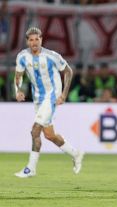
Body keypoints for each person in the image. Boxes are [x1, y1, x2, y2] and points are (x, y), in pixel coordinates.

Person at [14, 27, 84, 178]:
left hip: (51, 95)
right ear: (27, 41)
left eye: (37, 39)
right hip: (38, 98)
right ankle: (76, 154)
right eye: (31, 40)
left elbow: (68, 71)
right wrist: (18, 90)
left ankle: (30, 168)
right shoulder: (22, 57)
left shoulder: (52, 56)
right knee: (49, 135)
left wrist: (64, 94)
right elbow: (18, 75)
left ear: (41, 39)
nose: (34, 42)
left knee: (34, 130)